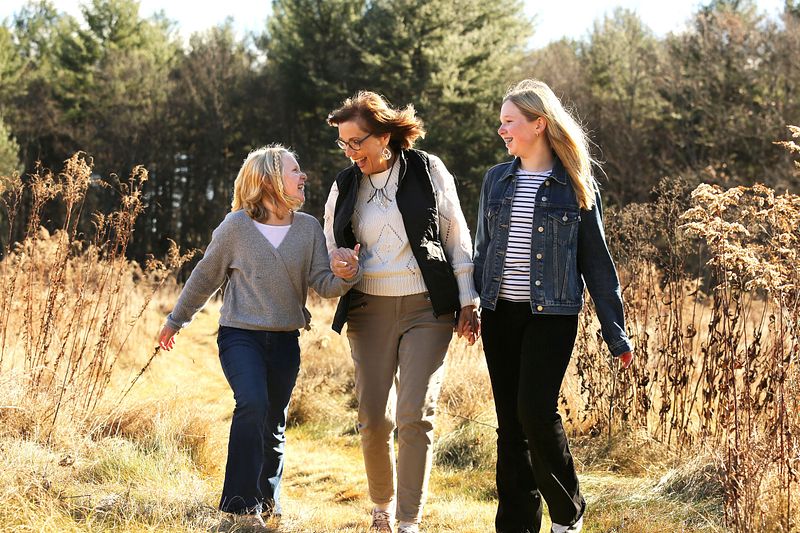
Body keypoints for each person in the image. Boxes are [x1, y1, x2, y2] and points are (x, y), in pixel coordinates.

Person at [157, 145, 360, 528]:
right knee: (251, 403)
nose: (303, 177)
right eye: (295, 170)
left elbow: (322, 283)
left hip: (285, 341)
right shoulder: (235, 227)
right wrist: (176, 320)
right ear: (269, 179)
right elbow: (204, 278)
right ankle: (237, 508)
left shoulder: (309, 228)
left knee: (273, 423)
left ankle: (267, 505)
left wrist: (348, 275)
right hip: (240, 337)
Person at [473, 79, 634, 533]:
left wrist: (614, 332)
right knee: (509, 423)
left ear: (538, 124)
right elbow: (484, 250)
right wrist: (470, 306)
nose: (501, 129)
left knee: (534, 410)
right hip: (499, 314)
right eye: (501, 121)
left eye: (509, 121)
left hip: (552, 315)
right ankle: (517, 524)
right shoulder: (496, 180)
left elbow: (597, 263)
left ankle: (568, 512)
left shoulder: (575, 186)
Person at [323, 91, 480, 533]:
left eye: (357, 142)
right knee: (375, 418)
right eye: (344, 144)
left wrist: (468, 298)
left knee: (414, 414)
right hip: (368, 309)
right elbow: (329, 240)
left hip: (427, 308)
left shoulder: (428, 170)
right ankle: (382, 506)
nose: (351, 152)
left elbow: (456, 234)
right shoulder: (345, 184)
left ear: (385, 135)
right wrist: (340, 262)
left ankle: (408, 520)